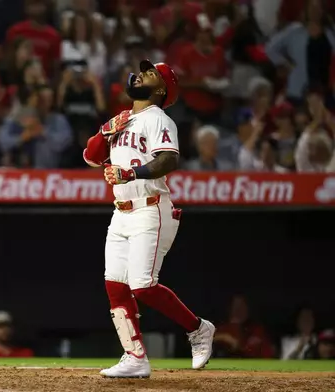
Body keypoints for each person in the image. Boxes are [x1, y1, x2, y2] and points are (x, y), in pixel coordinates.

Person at [82, 60, 215, 378]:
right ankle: (135, 356)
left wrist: (129, 172)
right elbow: (89, 157)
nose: (140, 74)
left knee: (141, 285)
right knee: (115, 284)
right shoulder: (123, 119)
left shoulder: (159, 119)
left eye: (150, 73)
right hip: (121, 212)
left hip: (150, 207)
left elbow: (168, 159)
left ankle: (198, 329)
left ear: (160, 89)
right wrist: (106, 130)